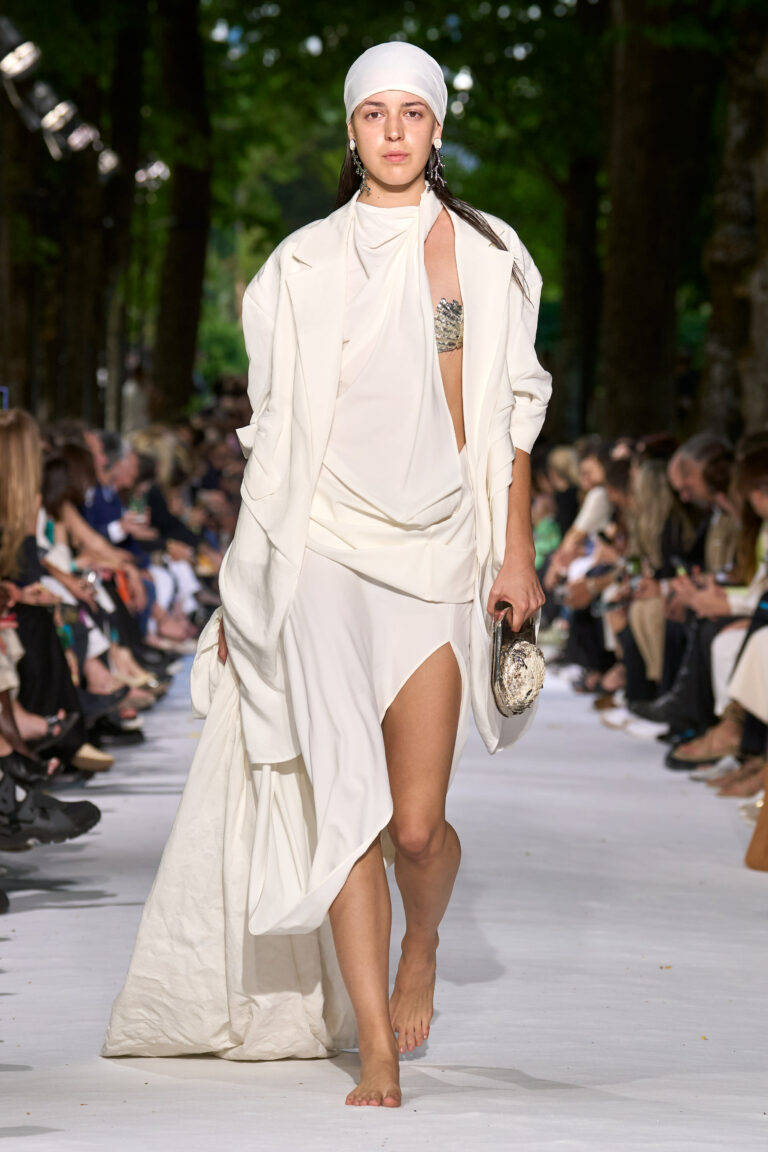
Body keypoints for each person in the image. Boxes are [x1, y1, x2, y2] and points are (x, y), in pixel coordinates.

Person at [102, 42, 552, 1108]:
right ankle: (375, 1049)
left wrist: (517, 550)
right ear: (349, 132)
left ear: (437, 127)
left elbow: (510, 415)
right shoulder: (299, 264)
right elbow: (273, 439)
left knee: (415, 826)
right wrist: (248, 579)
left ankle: (420, 943)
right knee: (350, 808)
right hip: (323, 554)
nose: (394, 131)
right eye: (373, 114)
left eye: (412, 112)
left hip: (437, 551)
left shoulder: (486, 255)